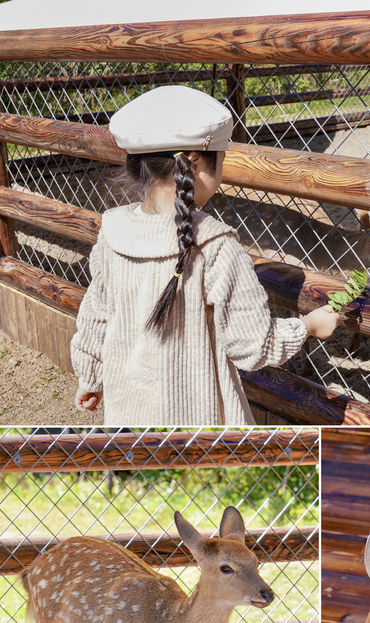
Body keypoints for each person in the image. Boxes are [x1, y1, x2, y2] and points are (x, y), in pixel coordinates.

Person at [71, 85, 337, 425]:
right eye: (222, 159)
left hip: (128, 413)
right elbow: (252, 345)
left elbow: (96, 312)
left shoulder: (113, 231)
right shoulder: (217, 245)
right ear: (195, 161)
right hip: (199, 418)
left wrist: (90, 375)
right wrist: (308, 326)